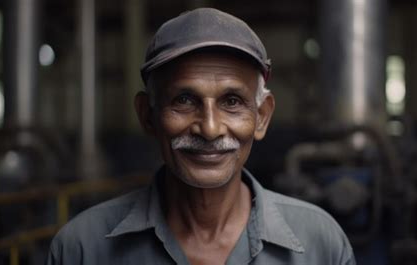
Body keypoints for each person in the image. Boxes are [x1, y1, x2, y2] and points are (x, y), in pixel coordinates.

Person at [47, 8, 356, 265]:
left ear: (261, 117)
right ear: (147, 116)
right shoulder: (81, 249)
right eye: (184, 100)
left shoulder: (319, 245)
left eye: (232, 102)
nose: (209, 128)